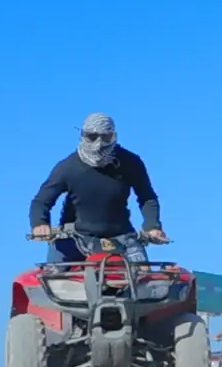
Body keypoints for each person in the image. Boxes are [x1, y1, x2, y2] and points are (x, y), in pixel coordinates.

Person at [29, 113, 169, 263]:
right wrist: (40, 224)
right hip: (76, 238)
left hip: (122, 238)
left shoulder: (130, 163)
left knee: (145, 278)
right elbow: (41, 201)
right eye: (92, 137)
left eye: (105, 138)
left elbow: (147, 196)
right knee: (54, 278)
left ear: (114, 136)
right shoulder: (68, 168)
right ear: (83, 135)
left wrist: (152, 226)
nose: (98, 144)